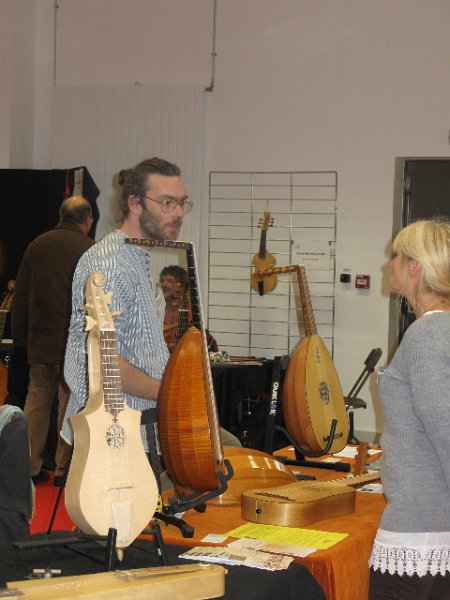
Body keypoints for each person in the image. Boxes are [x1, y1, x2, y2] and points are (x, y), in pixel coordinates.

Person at [62, 157, 239, 492]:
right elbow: (101, 362)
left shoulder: (138, 259)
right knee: (225, 461)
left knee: (230, 453)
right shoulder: (109, 264)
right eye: (167, 203)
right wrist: (173, 396)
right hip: (120, 428)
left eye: (181, 202)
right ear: (135, 204)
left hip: (151, 418)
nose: (178, 213)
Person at [369, 218, 450, 599]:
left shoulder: (427, 333)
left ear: (416, 268)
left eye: (396, 256)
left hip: (420, 530)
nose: (390, 264)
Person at [12, 196, 94, 485]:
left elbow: (20, 297)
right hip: (75, 344)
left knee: (36, 400)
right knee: (70, 402)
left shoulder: (37, 245)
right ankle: (64, 469)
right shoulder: (90, 250)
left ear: (61, 216)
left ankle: (28, 467)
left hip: (40, 342)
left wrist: (21, 340)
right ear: (87, 221)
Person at [159, 264, 219, 353]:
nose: (164, 284)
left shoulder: (190, 311)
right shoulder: (157, 308)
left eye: (169, 281)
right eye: (162, 281)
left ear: (181, 286)